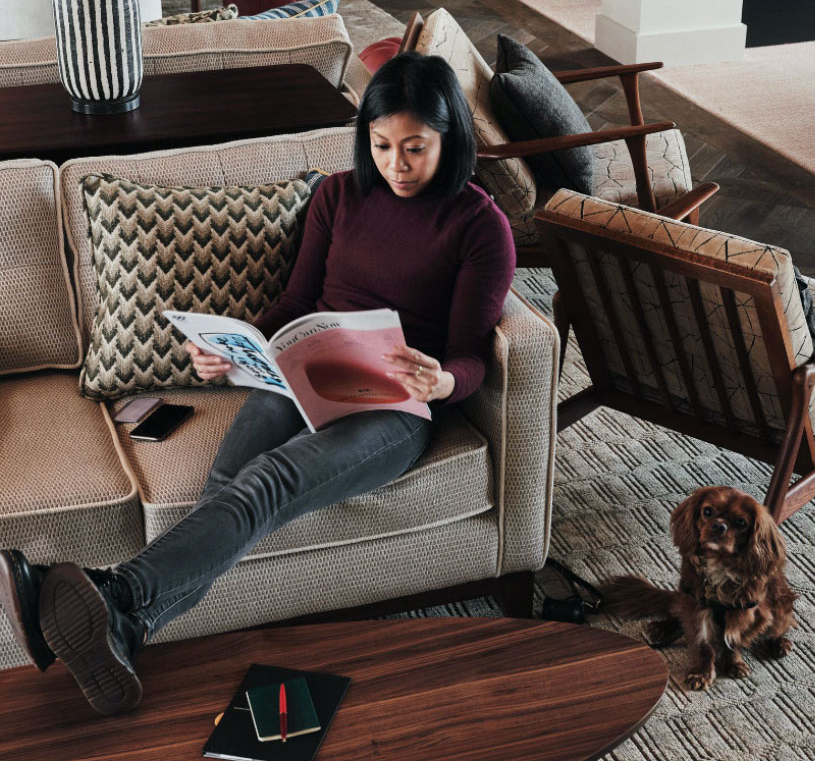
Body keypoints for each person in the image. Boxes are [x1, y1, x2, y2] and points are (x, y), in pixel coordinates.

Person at [0, 52, 516, 715]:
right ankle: (124, 627)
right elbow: (295, 303)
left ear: (450, 138)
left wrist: (442, 380)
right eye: (382, 145)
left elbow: (471, 356)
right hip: (306, 374)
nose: (396, 164)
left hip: (394, 407)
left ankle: (115, 593)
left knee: (266, 481)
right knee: (227, 488)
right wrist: (234, 349)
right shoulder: (338, 195)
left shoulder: (481, 227)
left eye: (415, 148)